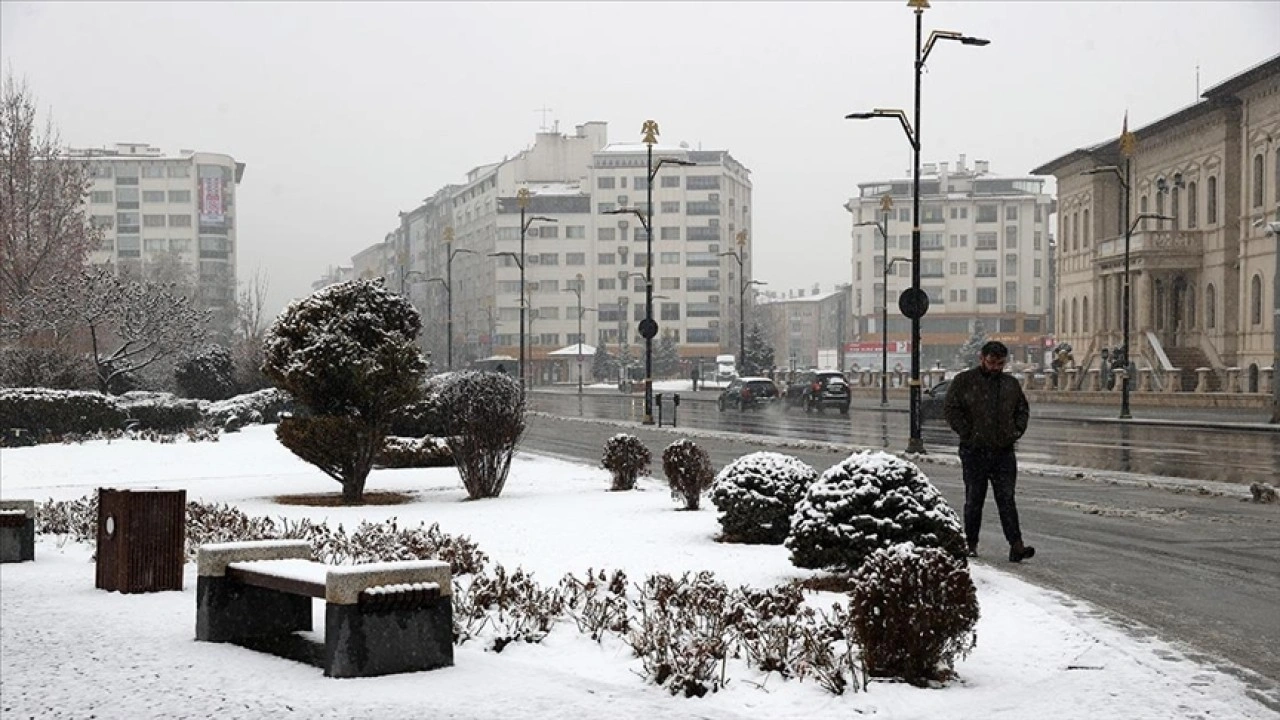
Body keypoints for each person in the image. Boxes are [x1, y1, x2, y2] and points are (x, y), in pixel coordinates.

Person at [943, 340, 1035, 563]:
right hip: (974, 451)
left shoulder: (1010, 384)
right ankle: (971, 543)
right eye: (992, 362)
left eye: (1000, 363)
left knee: (1007, 500)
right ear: (981, 358)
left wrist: (1015, 432)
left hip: (1003, 452)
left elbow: (1022, 410)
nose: (995, 367)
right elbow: (950, 409)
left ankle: (1016, 545)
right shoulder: (965, 381)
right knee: (975, 499)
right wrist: (967, 432)